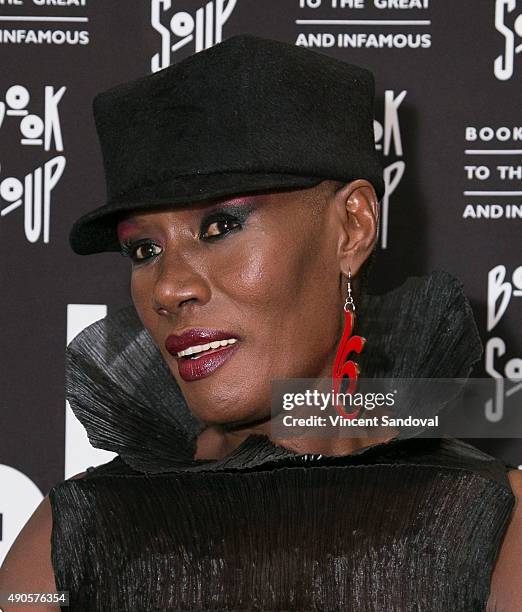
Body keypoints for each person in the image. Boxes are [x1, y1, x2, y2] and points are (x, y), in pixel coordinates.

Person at [1, 34, 521, 611]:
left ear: (352, 227)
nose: (170, 287)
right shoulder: (69, 537)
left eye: (220, 227)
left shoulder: (496, 522)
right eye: (144, 250)